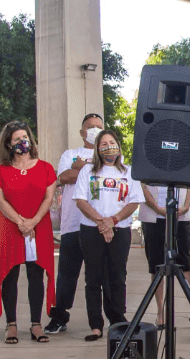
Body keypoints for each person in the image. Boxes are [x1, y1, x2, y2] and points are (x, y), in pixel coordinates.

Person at [0, 121, 57, 344]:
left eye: (24, 137)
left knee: (36, 275)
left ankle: (36, 325)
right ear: (8, 143)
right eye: (16, 139)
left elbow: (48, 198)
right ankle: (11, 325)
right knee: (10, 275)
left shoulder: (46, 168)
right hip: (10, 226)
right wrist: (21, 222)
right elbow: (1, 201)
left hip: (39, 226)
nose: (21, 142)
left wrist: (33, 222)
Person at [73, 130, 145, 342]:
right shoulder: (87, 171)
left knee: (117, 275)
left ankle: (118, 320)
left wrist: (112, 221)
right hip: (91, 229)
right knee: (93, 278)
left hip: (120, 230)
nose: (108, 147)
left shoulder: (129, 172)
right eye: (103, 144)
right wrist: (102, 223)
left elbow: (134, 202)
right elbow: (80, 200)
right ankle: (96, 325)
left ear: (118, 146)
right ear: (97, 149)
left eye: (111, 142)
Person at [44, 113, 108, 335]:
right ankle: (59, 316)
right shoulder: (70, 154)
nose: (94, 130)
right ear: (82, 133)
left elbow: (109, 173)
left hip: (100, 224)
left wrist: (82, 166)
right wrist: (90, 166)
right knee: (67, 274)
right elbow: (65, 177)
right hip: (73, 224)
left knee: (101, 276)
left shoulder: (108, 153)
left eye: (98, 127)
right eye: (90, 127)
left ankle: (105, 319)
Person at [138, 182, 190, 327]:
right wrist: (157, 208)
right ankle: (160, 313)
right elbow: (142, 185)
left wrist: (187, 206)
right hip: (153, 215)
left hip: (180, 215)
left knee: (185, 264)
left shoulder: (183, 158)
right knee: (157, 265)